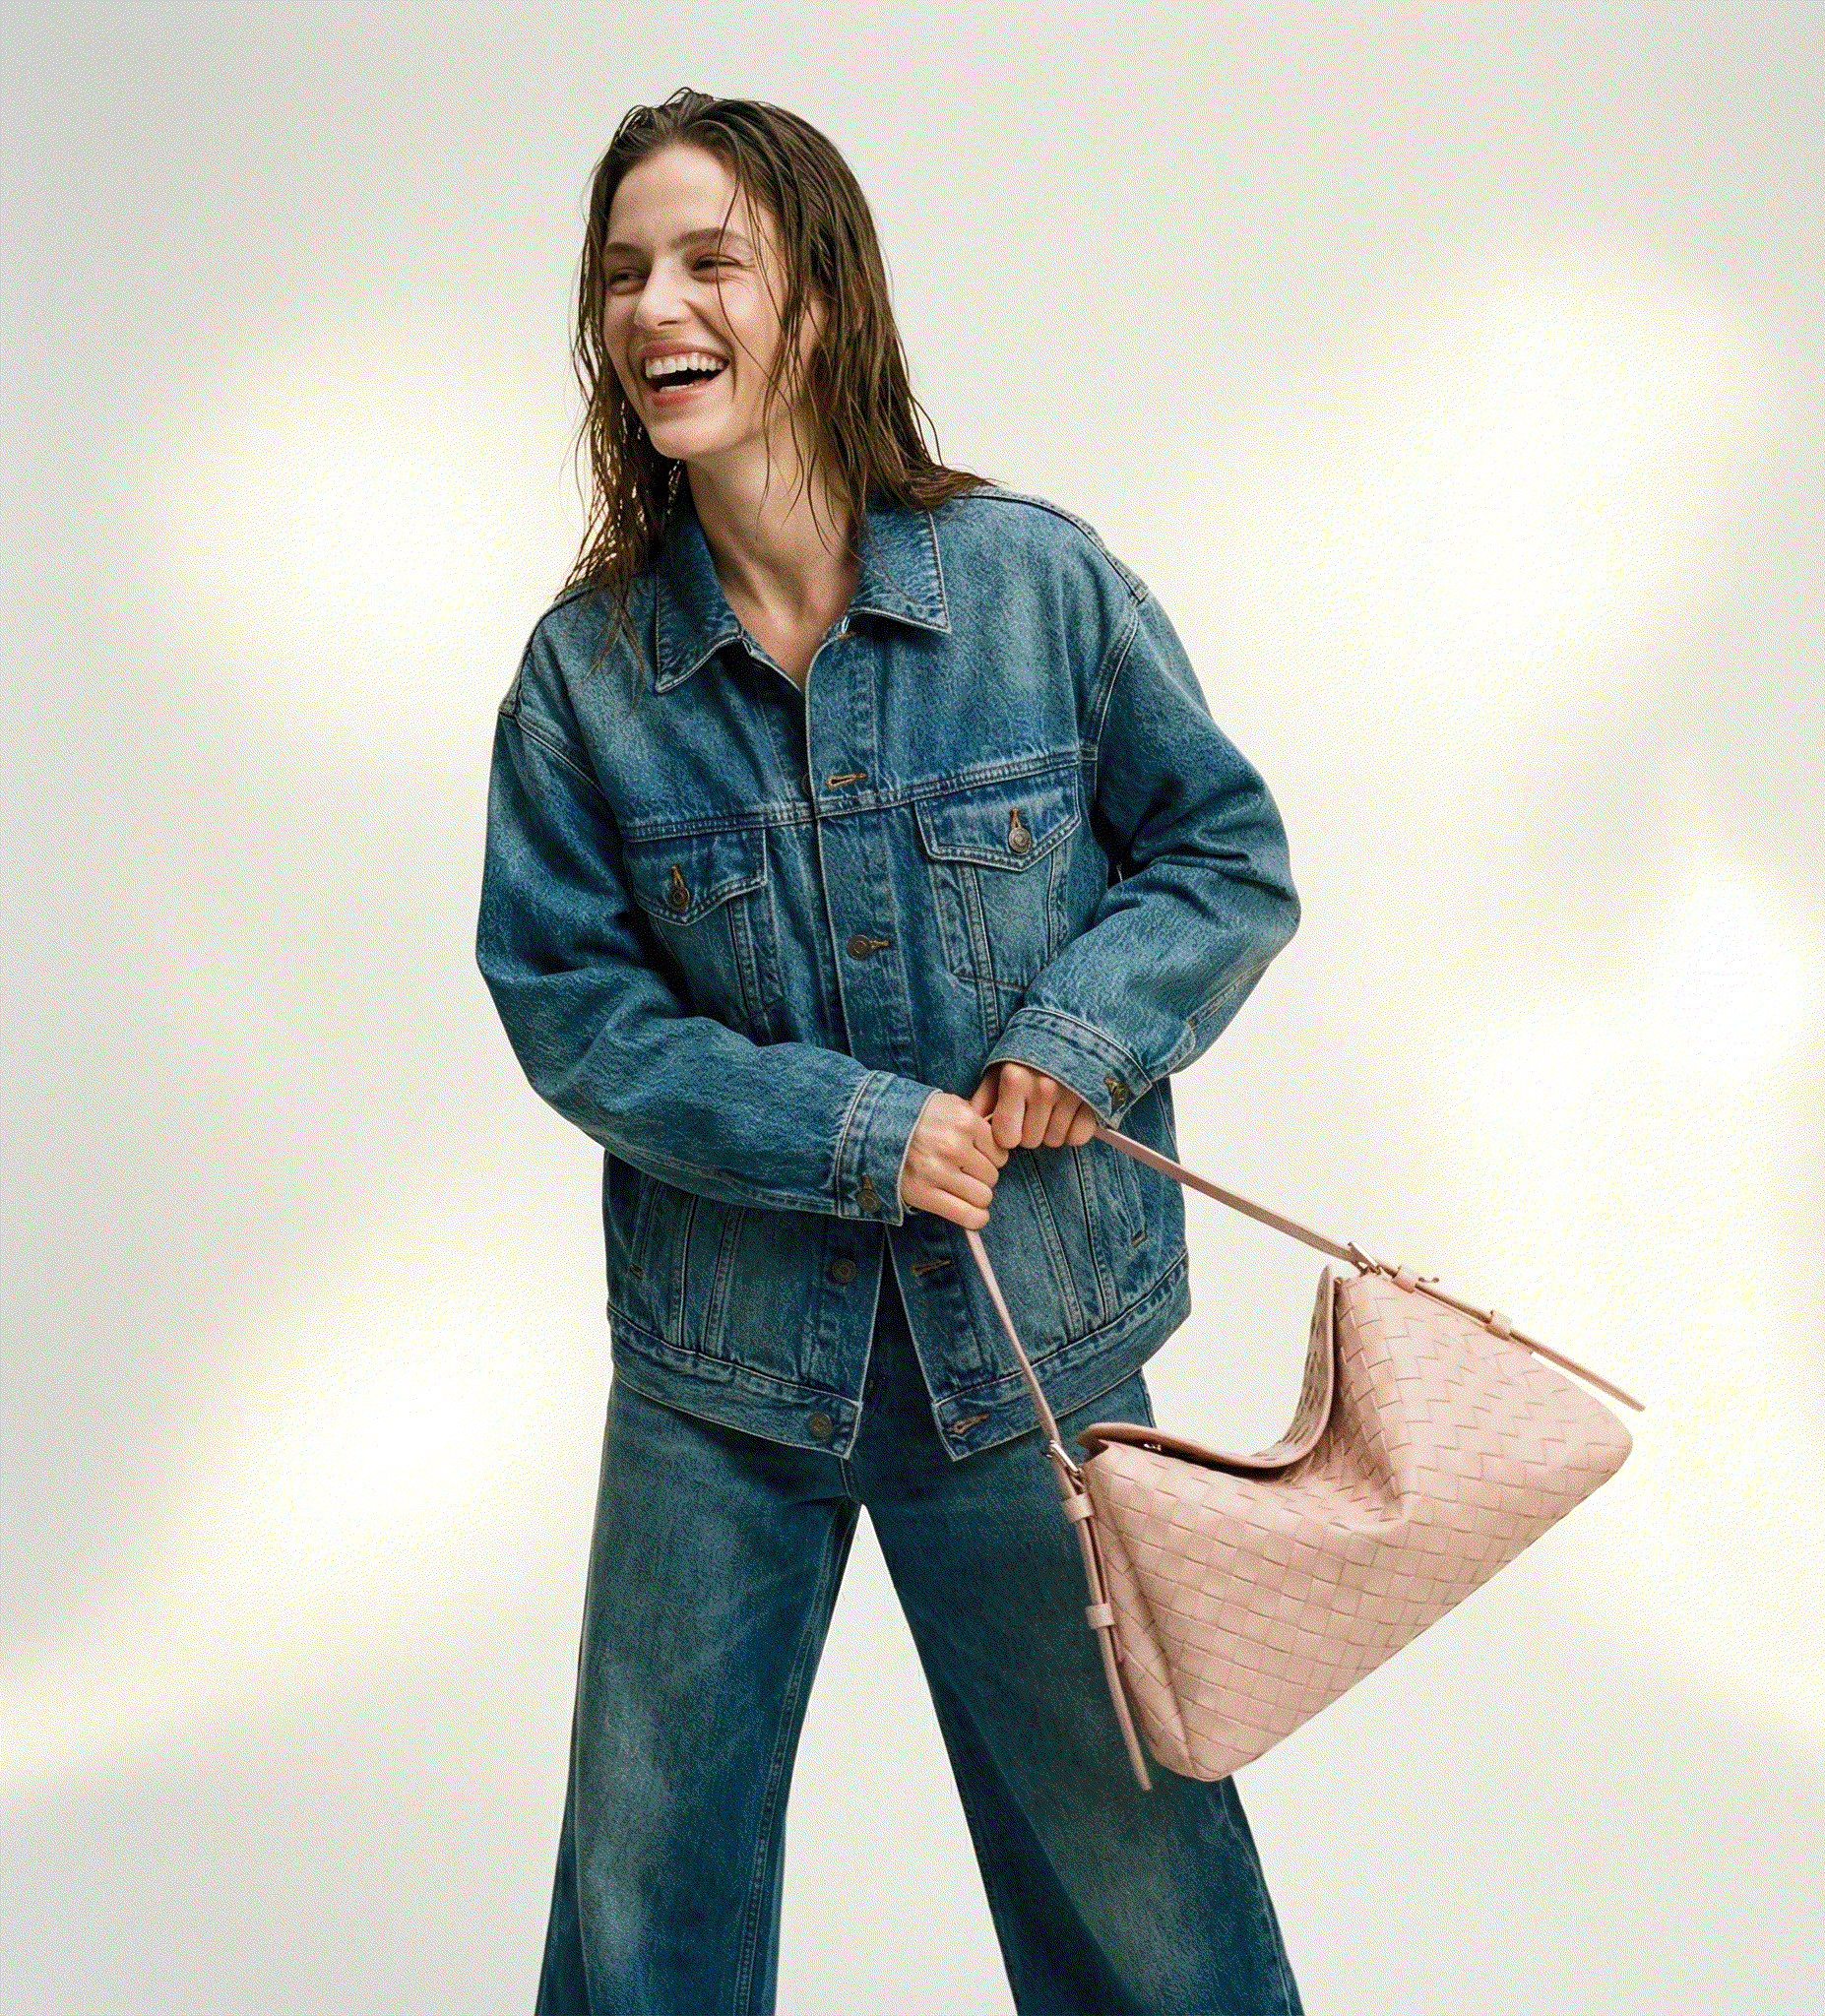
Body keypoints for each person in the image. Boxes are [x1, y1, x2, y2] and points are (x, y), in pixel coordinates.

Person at [477, 89, 1304, 2016]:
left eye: (706, 261)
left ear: (819, 303)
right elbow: (567, 999)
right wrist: (854, 1128)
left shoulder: (1036, 591)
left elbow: (1222, 858)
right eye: (621, 273)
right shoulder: (584, 680)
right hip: (718, 1378)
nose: (651, 305)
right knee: (644, 1909)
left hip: (1028, 1356)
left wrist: (1076, 1037)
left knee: (1144, 1903)